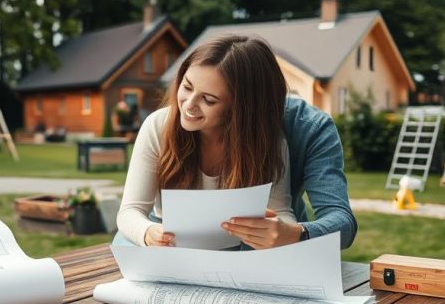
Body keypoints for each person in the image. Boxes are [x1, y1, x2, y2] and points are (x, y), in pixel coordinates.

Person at [116, 33, 357, 249]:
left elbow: (311, 218)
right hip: (171, 248)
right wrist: (148, 233)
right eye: (186, 87)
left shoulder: (277, 136)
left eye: (209, 100)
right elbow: (130, 211)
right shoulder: (160, 125)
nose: (188, 105)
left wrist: (290, 234)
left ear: (239, 110)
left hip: (250, 250)